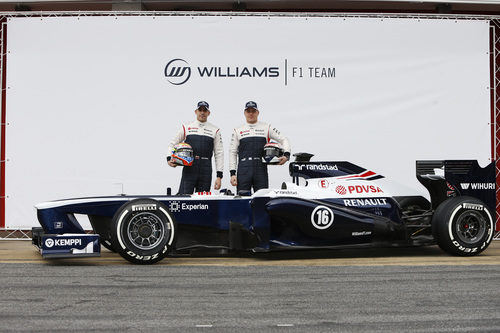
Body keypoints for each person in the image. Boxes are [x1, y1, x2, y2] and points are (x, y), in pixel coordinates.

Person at [229, 101, 290, 193]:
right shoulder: (238, 130)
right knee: (242, 199)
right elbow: (232, 152)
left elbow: (284, 139)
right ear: (244, 113)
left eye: (253, 111)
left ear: (258, 112)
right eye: (248, 111)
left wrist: (286, 155)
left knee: (262, 199)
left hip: (260, 169)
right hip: (243, 169)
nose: (251, 113)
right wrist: (232, 173)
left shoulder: (266, 127)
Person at [167, 101, 223, 194]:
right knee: (184, 198)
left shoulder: (215, 130)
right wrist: (169, 158)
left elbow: (219, 153)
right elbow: (172, 144)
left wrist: (219, 176)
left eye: (205, 110)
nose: (202, 112)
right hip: (190, 167)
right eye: (200, 110)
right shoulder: (187, 127)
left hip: (206, 168)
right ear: (195, 112)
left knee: (203, 202)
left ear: (208, 113)